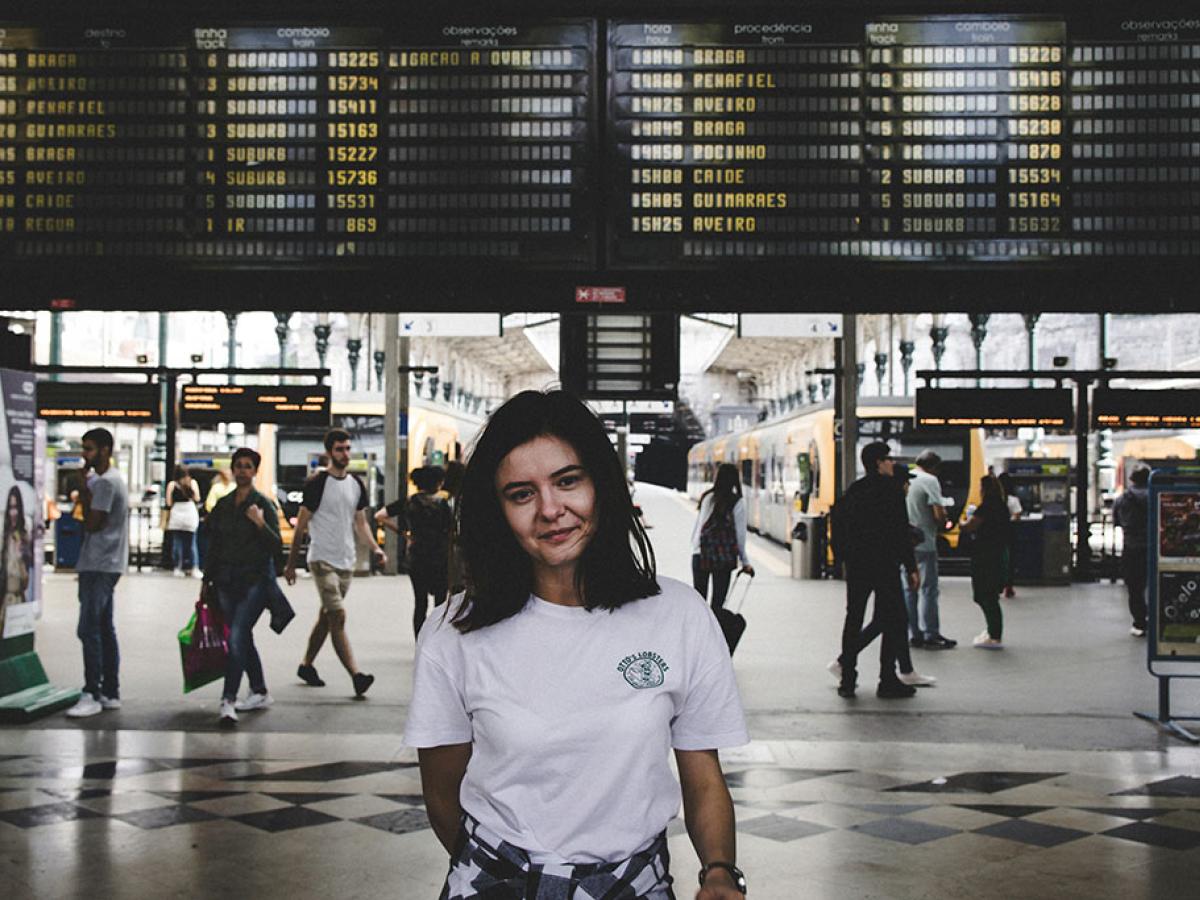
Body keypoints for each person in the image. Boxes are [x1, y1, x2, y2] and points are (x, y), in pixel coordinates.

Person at [406, 390, 750, 899]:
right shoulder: (452, 632)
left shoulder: (680, 617)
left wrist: (719, 871)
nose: (551, 510)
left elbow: (702, 777)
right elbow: (441, 795)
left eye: (568, 482)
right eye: (521, 494)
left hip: (635, 885)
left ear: (602, 485)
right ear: (496, 510)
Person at [285, 428, 386, 696]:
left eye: (347, 448)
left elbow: (361, 522)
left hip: (346, 562)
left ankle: (306, 665)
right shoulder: (317, 483)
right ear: (329, 452)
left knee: (327, 617)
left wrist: (375, 549)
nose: (345, 454)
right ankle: (357, 675)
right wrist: (291, 563)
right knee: (338, 615)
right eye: (340, 449)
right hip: (321, 559)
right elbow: (301, 526)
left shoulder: (355, 485)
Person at [829, 464, 936, 689]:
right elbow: (898, 532)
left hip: (858, 567)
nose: (908, 486)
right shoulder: (891, 492)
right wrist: (911, 567)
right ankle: (887, 677)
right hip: (884, 567)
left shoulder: (855, 490)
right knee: (893, 618)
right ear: (879, 464)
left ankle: (849, 678)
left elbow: (840, 522)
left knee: (856, 618)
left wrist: (843, 559)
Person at [203, 447, 282, 724]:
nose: (242, 470)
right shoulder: (224, 505)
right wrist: (206, 581)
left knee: (236, 635)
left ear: (255, 471)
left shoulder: (263, 504)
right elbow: (213, 544)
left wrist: (260, 523)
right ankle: (259, 689)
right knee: (241, 637)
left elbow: (276, 546)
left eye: (248, 466)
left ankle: (228, 699)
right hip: (225, 580)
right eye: (238, 465)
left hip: (255, 582)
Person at [65, 428, 129, 719]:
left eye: (89, 449)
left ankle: (92, 690)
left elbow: (92, 523)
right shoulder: (114, 480)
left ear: (105, 450)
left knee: (88, 627)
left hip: (98, 563)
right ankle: (110, 690)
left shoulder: (104, 483)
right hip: (108, 562)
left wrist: (84, 491)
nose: (84, 454)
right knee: (104, 627)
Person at [375, 465, 453, 638]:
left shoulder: (408, 502)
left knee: (420, 603)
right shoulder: (443, 504)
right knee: (440, 604)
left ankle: (420, 643)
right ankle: (438, 640)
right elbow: (452, 531)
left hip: (416, 557)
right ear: (437, 483)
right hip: (440, 558)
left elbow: (379, 515)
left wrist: (403, 533)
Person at [904, 450, 956, 650]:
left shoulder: (907, 478)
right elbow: (938, 513)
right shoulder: (930, 481)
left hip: (906, 544)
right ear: (935, 467)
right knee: (928, 590)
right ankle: (930, 633)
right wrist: (944, 521)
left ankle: (913, 633)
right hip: (925, 543)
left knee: (909, 590)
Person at [690, 462, 754, 612]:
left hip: (700, 554)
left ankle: (699, 633)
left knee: (700, 602)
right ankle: (714, 633)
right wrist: (745, 562)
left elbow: (698, 528)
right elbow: (740, 536)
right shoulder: (737, 502)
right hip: (723, 557)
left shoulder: (707, 497)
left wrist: (695, 549)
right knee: (717, 603)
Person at [961, 474, 1011, 649]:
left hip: (985, 555)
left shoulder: (986, 507)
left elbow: (971, 526)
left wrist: (961, 523)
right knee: (990, 594)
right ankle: (992, 630)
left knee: (985, 595)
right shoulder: (1001, 506)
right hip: (997, 553)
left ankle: (994, 635)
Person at [1113, 467, 1150, 637]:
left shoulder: (1123, 499)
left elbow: (1117, 522)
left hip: (1132, 546)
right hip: (1153, 547)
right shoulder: (1156, 495)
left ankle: (1139, 622)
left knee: (1135, 587)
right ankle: (1157, 619)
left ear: (1132, 479)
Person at [2, 485, 33, 636]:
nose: (13, 513)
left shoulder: (23, 538)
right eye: (11, 507)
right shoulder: (4, 538)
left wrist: (21, 553)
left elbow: (26, 579)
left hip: (18, 598)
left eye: (16, 507)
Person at [166, 465, 201, 577]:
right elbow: (197, 498)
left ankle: (178, 567)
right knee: (192, 543)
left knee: (177, 542)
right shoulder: (192, 482)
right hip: (190, 512)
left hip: (177, 513)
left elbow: (169, 502)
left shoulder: (172, 485)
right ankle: (194, 567)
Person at [442, 460, 467, 595]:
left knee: (457, 587)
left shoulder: (451, 500)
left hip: (456, 548)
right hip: (459, 548)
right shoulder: (464, 498)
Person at [998, 472, 1023, 599]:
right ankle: (1009, 586)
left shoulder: (994, 499)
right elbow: (1017, 515)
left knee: (997, 558)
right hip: (1009, 532)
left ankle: (998, 584)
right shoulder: (1013, 500)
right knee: (1010, 559)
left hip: (996, 533)